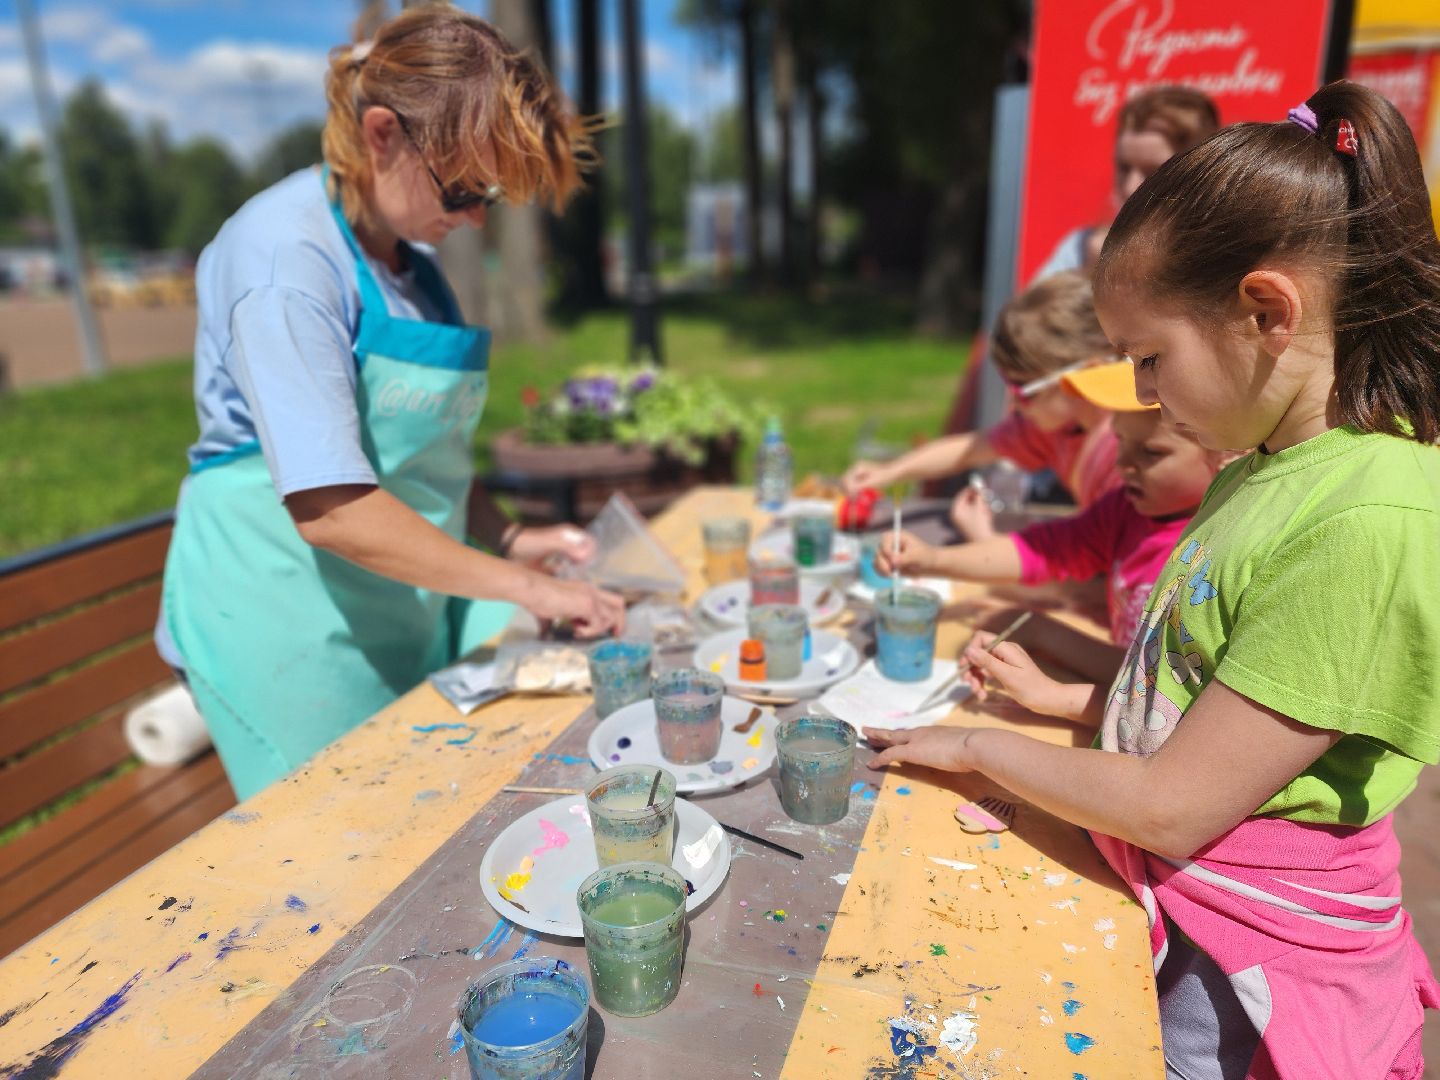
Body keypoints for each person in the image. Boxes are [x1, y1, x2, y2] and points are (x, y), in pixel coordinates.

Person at [865, 82, 1440, 1079]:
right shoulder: (1265, 465)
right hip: (1184, 906)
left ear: (1265, 311)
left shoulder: (1367, 519)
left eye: (1149, 358)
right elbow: (1201, 690)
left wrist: (978, 745)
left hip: (1239, 974)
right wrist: (1074, 693)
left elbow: (1173, 804)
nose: (1138, 395)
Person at [159, 5, 624, 801]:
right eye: (463, 187)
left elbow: (424, 455)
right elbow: (332, 508)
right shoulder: (284, 262)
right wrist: (530, 588)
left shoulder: (414, 271)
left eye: (489, 198)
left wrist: (511, 537)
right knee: (336, 844)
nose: (472, 217)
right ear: (382, 135)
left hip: (396, 604)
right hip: (284, 619)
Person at [879, 359, 1225, 696]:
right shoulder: (1126, 509)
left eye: (1151, 452)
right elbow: (1044, 550)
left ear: (1223, 454)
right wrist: (930, 559)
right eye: (1119, 440)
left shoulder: (1210, 554)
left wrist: (1042, 635)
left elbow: (1156, 681)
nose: (1123, 464)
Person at [844, 271, 1122, 522]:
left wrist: (982, 539)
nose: (1014, 403)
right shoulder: (1055, 430)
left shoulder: (1121, 452)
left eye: (1025, 391)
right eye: (1009, 386)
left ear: (1087, 373)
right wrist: (889, 472)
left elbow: (1110, 548)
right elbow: (971, 448)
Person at [1033, 86, 1220, 281]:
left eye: (1152, 172)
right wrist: (1088, 274)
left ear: (1198, 174)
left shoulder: (1219, 252)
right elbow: (1033, 301)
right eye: (1124, 168)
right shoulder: (1081, 248)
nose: (1130, 187)